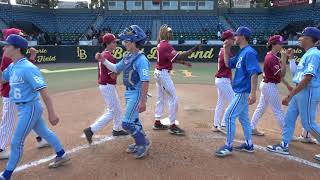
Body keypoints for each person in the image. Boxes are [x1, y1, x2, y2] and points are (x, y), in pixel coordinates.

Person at [0, 35, 70, 180]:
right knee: (44, 132)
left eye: (7, 45)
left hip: (30, 108)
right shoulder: (13, 66)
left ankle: (6, 175)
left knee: (16, 142)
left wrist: (52, 113)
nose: (4, 47)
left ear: (17, 49)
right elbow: (2, 79)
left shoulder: (28, 68)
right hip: (23, 108)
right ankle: (62, 154)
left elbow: (43, 90)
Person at [95, 25, 151, 159]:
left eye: (127, 41)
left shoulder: (141, 59)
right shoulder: (128, 56)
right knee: (135, 120)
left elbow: (145, 81)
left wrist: (143, 101)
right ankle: (142, 141)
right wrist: (103, 60)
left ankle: (143, 144)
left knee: (126, 123)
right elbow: (115, 68)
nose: (124, 43)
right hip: (129, 93)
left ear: (134, 42)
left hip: (136, 93)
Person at [266, 27, 320, 162]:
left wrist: (290, 95)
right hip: (300, 91)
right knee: (289, 118)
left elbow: (307, 78)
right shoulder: (308, 53)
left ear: (309, 39)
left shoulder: (314, 54)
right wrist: (289, 59)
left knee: (308, 123)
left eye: (301, 36)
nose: (299, 38)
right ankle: (284, 145)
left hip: (308, 91)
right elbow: (298, 75)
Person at [0, 28, 49, 160]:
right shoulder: (9, 55)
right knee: (9, 120)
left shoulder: (9, 54)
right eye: (19, 36)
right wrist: (32, 58)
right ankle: (0, 148)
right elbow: (19, 72)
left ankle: (41, 139)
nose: (23, 38)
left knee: (30, 116)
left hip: (17, 92)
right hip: (11, 93)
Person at [215, 27, 262, 157]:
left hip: (243, 91)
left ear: (242, 36)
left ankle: (228, 146)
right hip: (239, 91)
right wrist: (226, 49)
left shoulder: (249, 52)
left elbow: (254, 73)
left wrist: (253, 93)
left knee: (229, 116)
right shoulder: (242, 52)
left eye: (236, 35)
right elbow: (228, 64)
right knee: (244, 119)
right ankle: (248, 144)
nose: (234, 37)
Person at [153, 24, 201, 135]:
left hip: (158, 73)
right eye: (170, 32)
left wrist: (183, 63)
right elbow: (179, 56)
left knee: (161, 98)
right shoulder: (166, 45)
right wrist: (193, 49)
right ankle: (173, 125)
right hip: (163, 74)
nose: (172, 33)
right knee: (173, 98)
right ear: (165, 33)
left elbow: (171, 59)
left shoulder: (161, 44)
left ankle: (157, 121)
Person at [83, 33, 128, 144]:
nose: (116, 43)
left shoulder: (104, 54)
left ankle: (117, 129)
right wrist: (122, 68)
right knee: (112, 111)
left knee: (117, 109)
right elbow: (113, 75)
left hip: (106, 85)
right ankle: (91, 130)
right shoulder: (109, 57)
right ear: (109, 43)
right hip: (107, 85)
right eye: (114, 42)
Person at [250, 35, 293, 136]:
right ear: (273, 44)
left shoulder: (272, 56)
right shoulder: (272, 58)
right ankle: (287, 134)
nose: (282, 46)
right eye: (280, 44)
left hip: (267, 85)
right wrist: (284, 59)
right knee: (278, 110)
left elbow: (279, 76)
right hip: (269, 86)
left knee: (261, 107)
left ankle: (252, 127)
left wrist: (287, 85)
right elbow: (281, 74)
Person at [212, 30, 235, 134]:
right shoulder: (225, 51)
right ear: (228, 40)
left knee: (220, 103)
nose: (234, 39)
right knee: (234, 102)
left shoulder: (225, 50)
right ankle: (224, 124)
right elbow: (227, 65)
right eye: (232, 38)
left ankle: (216, 124)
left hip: (222, 80)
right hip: (223, 80)